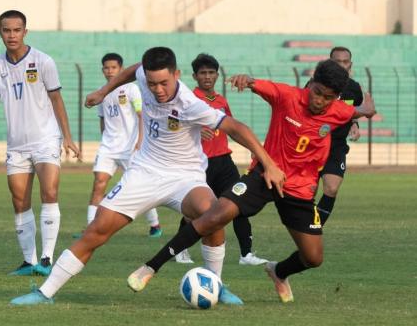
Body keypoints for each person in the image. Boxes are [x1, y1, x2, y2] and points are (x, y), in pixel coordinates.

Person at [10, 46, 278, 306]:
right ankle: (45, 293)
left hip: (185, 177)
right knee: (97, 230)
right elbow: (132, 70)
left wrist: (268, 164)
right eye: (152, 84)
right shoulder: (143, 75)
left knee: (213, 215)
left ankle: (216, 286)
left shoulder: (191, 104)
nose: (157, 90)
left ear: (177, 74)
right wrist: (104, 92)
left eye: (163, 83)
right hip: (144, 172)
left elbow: (235, 127)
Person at [127, 60, 375, 303]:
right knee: (216, 215)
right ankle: (150, 267)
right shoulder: (287, 95)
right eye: (317, 92)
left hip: (299, 189)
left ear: (336, 97)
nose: (319, 100)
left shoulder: (339, 111)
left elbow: (360, 111)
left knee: (313, 258)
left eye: (328, 97)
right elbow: (258, 84)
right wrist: (246, 81)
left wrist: (367, 106)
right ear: (310, 84)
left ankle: (278, 272)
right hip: (264, 175)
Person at [0, 10, 80, 277]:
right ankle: (29, 261)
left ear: (25, 31)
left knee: (49, 192)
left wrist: (67, 137)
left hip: (46, 139)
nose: (11, 35)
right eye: (6, 30)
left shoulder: (43, 61)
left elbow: (57, 99)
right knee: (19, 200)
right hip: (17, 145)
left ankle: (47, 259)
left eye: (16, 30)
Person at [174, 53, 269, 266]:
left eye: (211, 73)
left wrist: (253, 148)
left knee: (239, 202)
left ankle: (246, 254)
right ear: (195, 76)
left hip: (225, 162)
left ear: (217, 75)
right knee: (196, 210)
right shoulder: (189, 100)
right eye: (202, 73)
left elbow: (232, 127)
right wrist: (197, 131)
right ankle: (180, 250)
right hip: (202, 163)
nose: (207, 77)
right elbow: (176, 128)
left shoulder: (221, 101)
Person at [85, 53, 161, 238]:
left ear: (121, 69)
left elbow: (141, 115)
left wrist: (140, 141)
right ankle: (90, 228)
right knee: (99, 184)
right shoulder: (102, 92)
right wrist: (105, 139)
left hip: (131, 147)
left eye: (113, 68)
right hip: (109, 147)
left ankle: (154, 224)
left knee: (137, 187)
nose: (110, 71)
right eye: (106, 68)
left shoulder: (131, 89)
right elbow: (103, 120)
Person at [315, 47, 363, 225]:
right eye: (337, 62)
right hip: (313, 144)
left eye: (345, 62)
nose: (342, 66)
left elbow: (352, 111)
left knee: (332, 187)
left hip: (336, 147)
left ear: (351, 64)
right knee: (308, 191)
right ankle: (306, 230)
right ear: (329, 63)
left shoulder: (354, 89)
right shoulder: (315, 85)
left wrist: (354, 124)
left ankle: (315, 228)